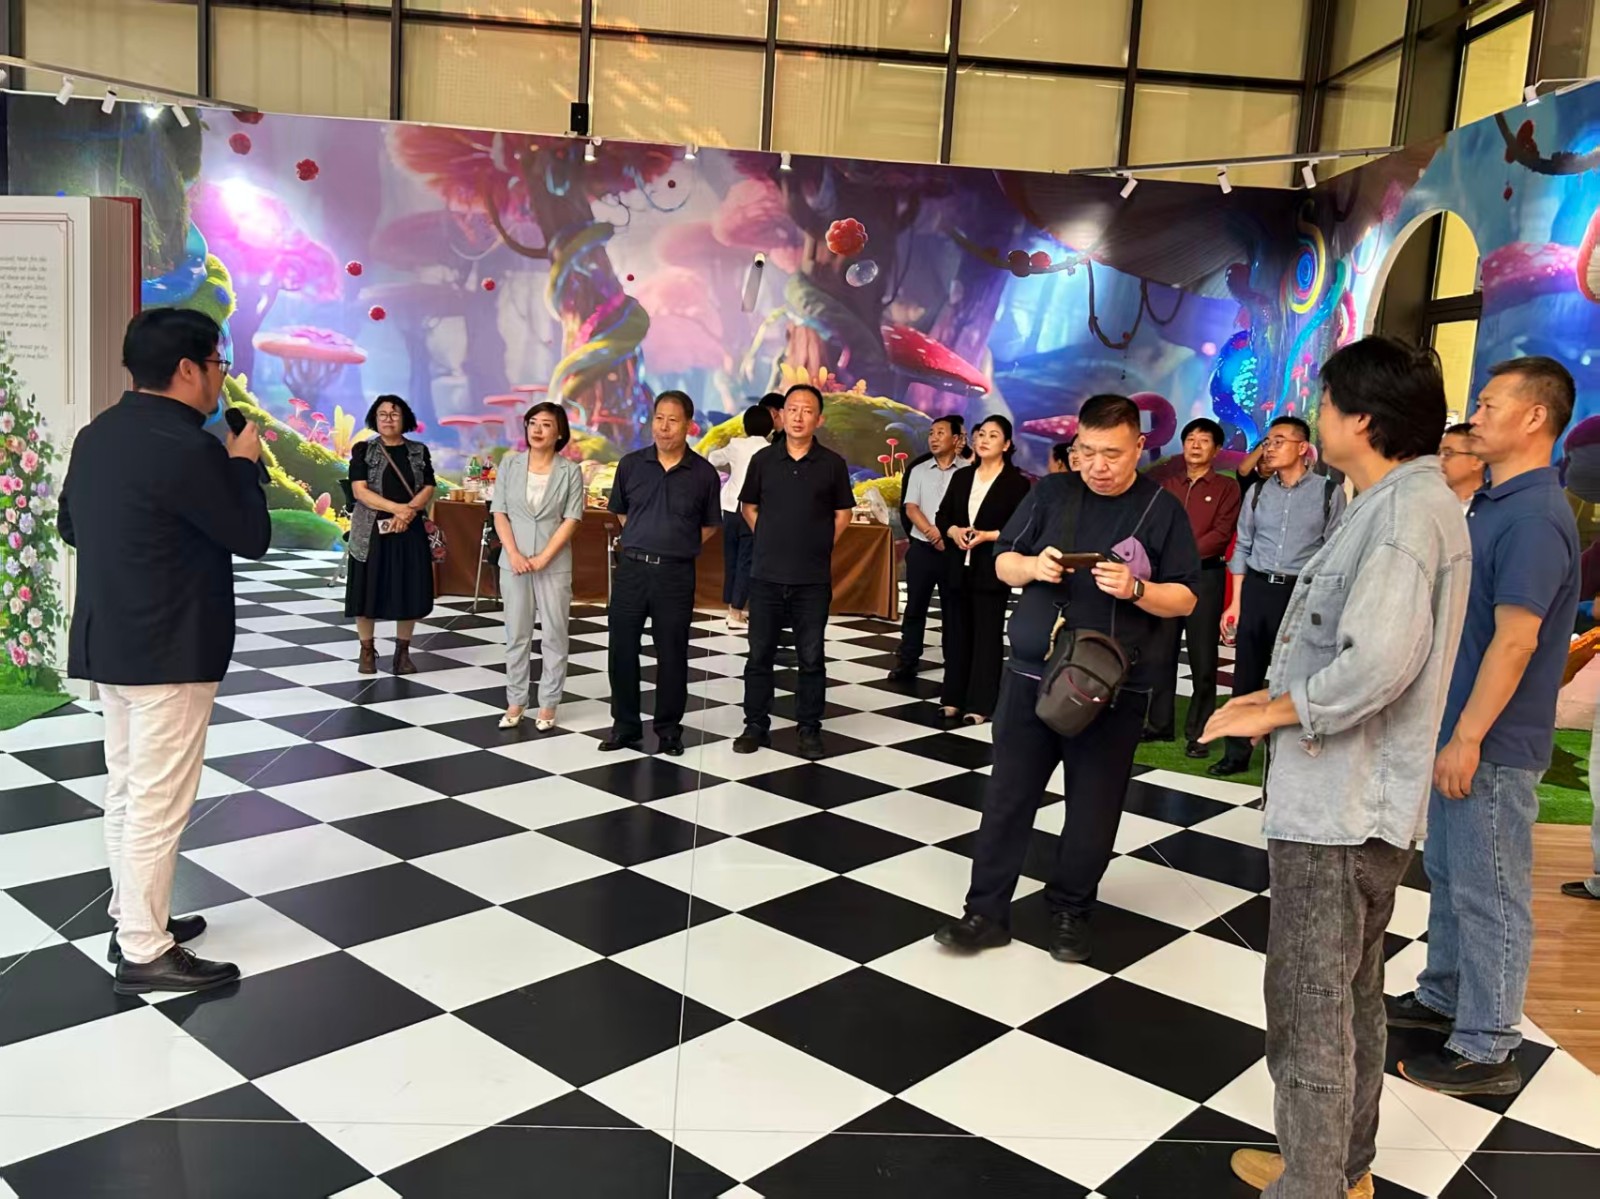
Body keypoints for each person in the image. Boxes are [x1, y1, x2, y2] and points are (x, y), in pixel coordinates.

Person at [1199, 337, 1471, 1199]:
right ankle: (1341, 1170)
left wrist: (1275, 709)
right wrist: (1275, 698)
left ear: (1363, 418)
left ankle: (1313, 1185)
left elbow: (1378, 662)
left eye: (1324, 403)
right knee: (1350, 993)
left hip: (1341, 806)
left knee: (1309, 1004)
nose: (1316, 417)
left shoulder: (1401, 516)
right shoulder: (1398, 500)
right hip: (1358, 800)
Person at [934, 394, 1199, 964]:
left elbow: (1184, 597)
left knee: (1093, 807)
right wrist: (1034, 566)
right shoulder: (1051, 493)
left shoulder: (1162, 509)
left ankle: (1071, 912)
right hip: (1032, 675)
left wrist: (1136, 589)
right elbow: (1003, 560)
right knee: (1008, 797)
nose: (1098, 466)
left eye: (1112, 454)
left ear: (1140, 447)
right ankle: (985, 912)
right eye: (1087, 451)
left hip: (1112, 688)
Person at [58, 308, 270, 994]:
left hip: (110, 638)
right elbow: (251, 536)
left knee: (127, 788)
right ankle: (146, 949)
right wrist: (243, 466)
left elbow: (69, 526)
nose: (220, 379)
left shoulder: (97, 434)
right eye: (218, 365)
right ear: (187, 368)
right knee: (158, 801)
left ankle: (132, 918)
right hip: (172, 645)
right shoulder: (190, 447)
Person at [1389, 356, 1580, 1098]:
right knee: (1451, 874)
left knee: (1491, 891)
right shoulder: (1494, 503)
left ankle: (1488, 1043)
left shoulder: (1533, 516)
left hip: (1492, 740)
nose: (1475, 417)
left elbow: (1516, 640)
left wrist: (1468, 736)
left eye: (1490, 404)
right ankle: (1443, 996)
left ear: (1535, 417)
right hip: (1461, 727)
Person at [1211, 415, 1346, 777]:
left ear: (1302, 448)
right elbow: (1243, 546)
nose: (1269, 448)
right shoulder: (1257, 493)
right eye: (1267, 442)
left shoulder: (1329, 493)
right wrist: (1235, 603)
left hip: (1300, 594)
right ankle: (1236, 753)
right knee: (1246, 673)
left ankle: (1288, 756)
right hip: (1257, 588)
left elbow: (1334, 552)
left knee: (1297, 675)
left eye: (1279, 441)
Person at [735, 383, 856, 760]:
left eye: (807, 411)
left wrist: (818, 544)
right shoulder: (763, 460)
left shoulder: (832, 464)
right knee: (759, 655)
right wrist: (770, 538)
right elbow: (749, 507)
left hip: (811, 579)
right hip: (766, 576)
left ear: (819, 419)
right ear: (781, 415)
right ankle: (755, 724)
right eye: (792, 409)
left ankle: (809, 727)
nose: (798, 417)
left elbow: (843, 514)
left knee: (811, 656)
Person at [600, 390, 723, 756]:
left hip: (675, 574)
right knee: (622, 649)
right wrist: (644, 539)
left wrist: (675, 545)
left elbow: (709, 525)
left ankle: (668, 730)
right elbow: (622, 512)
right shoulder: (631, 464)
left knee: (672, 652)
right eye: (658, 418)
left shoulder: (703, 473)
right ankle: (625, 727)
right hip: (632, 570)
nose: (664, 427)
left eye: (672, 420)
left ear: (688, 426)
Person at [1145, 417, 1242, 755]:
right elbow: (1154, 529)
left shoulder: (1227, 487)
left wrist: (1179, 555)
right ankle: (1159, 724)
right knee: (1161, 653)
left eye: (1204, 440)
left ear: (1216, 450)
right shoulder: (1167, 485)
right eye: (1190, 439)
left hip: (1205, 578)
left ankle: (1199, 732)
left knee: (1203, 658)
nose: (1195, 445)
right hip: (1166, 579)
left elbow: (1222, 534)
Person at [491, 401, 585, 731]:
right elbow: (499, 512)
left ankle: (549, 703)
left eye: (546, 424)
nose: (537, 429)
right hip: (514, 563)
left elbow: (572, 518)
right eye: (532, 422)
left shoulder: (570, 471)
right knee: (517, 634)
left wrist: (544, 557)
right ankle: (516, 700)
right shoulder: (510, 464)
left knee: (555, 635)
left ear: (559, 432)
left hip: (553, 563)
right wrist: (513, 553)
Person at [934, 415, 1031, 724]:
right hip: (956, 568)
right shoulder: (963, 477)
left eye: (993, 435)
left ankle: (981, 703)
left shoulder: (1017, 484)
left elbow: (1023, 529)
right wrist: (953, 531)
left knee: (986, 637)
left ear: (1007, 444)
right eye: (981, 434)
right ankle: (952, 698)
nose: (984, 440)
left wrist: (988, 536)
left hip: (991, 569)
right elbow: (942, 515)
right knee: (956, 635)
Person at [346, 396, 437, 675]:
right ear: (375, 419)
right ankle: (367, 651)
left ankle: (402, 654)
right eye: (382, 414)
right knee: (366, 592)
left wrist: (408, 513)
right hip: (371, 532)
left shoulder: (418, 451)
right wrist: (399, 509)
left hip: (409, 530)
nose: (388, 419)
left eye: (394, 414)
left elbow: (429, 486)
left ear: (404, 419)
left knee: (408, 590)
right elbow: (360, 491)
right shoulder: (364, 450)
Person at [890, 415, 970, 684]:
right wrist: (932, 533)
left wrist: (947, 535)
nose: (934, 438)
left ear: (956, 439)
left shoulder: (968, 471)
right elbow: (911, 507)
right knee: (915, 608)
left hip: (954, 551)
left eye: (940, 433)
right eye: (931, 433)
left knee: (954, 609)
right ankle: (907, 661)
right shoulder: (919, 470)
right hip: (923, 549)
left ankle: (955, 662)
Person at [708, 403, 775, 629]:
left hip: (729, 508)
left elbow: (713, 458)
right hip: (751, 510)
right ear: (769, 427)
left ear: (745, 426)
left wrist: (724, 475)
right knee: (746, 561)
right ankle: (736, 612)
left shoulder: (736, 444)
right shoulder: (770, 450)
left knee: (732, 560)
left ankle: (731, 609)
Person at [1440, 422, 1484, 509]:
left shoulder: (1494, 507)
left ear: (1477, 461)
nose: (1439, 461)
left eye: (1448, 453)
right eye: (1438, 453)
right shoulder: (1428, 501)